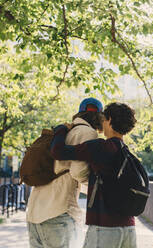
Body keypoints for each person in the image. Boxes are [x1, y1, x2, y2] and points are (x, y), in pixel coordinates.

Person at [50, 102, 137, 248]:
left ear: (109, 120)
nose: (101, 121)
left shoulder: (100, 147)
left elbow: (58, 151)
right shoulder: (128, 154)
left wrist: (60, 129)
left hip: (104, 228)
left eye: (103, 118)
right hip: (129, 228)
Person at [27, 97, 103, 248]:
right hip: (58, 212)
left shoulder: (63, 132)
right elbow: (79, 172)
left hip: (34, 213)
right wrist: (99, 189)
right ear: (99, 117)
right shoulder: (88, 133)